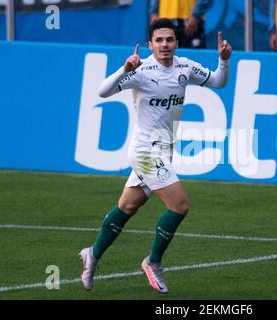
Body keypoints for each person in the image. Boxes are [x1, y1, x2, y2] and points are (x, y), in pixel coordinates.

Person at [79, 18, 232, 294]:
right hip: (144, 153)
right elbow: (102, 91)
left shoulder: (185, 66)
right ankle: (153, 262)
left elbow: (219, 81)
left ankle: (93, 254)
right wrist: (125, 68)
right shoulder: (140, 70)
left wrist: (223, 60)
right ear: (150, 45)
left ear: (176, 42)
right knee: (180, 206)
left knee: (127, 208)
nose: (165, 45)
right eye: (159, 40)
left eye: (170, 40)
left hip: (164, 151)